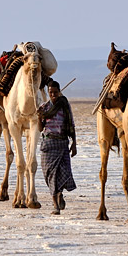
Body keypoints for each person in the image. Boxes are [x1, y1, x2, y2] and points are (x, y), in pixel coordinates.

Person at [38, 81, 77, 214]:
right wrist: (39, 116)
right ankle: (56, 202)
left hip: (62, 143)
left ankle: (58, 198)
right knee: (49, 175)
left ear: (59, 91)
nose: (53, 95)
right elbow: (39, 129)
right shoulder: (44, 107)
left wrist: (74, 144)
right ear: (48, 93)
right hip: (48, 145)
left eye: (55, 92)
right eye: (51, 93)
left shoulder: (64, 106)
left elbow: (71, 123)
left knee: (63, 173)